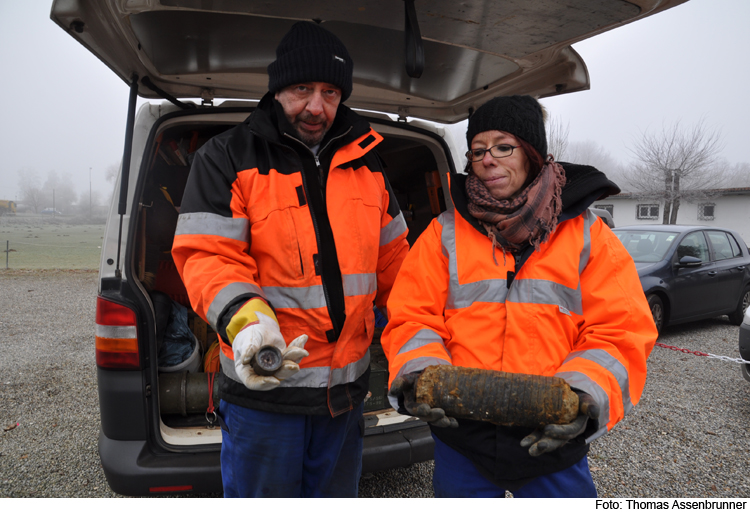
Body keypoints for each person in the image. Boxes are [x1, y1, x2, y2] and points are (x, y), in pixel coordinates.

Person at [172, 21, 409, 497]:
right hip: (266, 395)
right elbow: (208, 257)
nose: (316, 107)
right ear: (278, 88)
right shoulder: (226, 157)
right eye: (302, 89)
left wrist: (427, 346)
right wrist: (250, 322)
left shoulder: (369, 166)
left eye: (329, 92)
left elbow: (399, 270)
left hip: (344, 397)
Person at [383, 95, 657, 498]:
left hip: (553, 439)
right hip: (463, 440)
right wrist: (421, 376)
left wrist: (581, 397)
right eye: (478, 150)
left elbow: (621, 332)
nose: (488, 159)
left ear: (533, 155)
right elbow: (410, 318)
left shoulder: (588, 236)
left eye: (503, 147)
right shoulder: (444, 234)